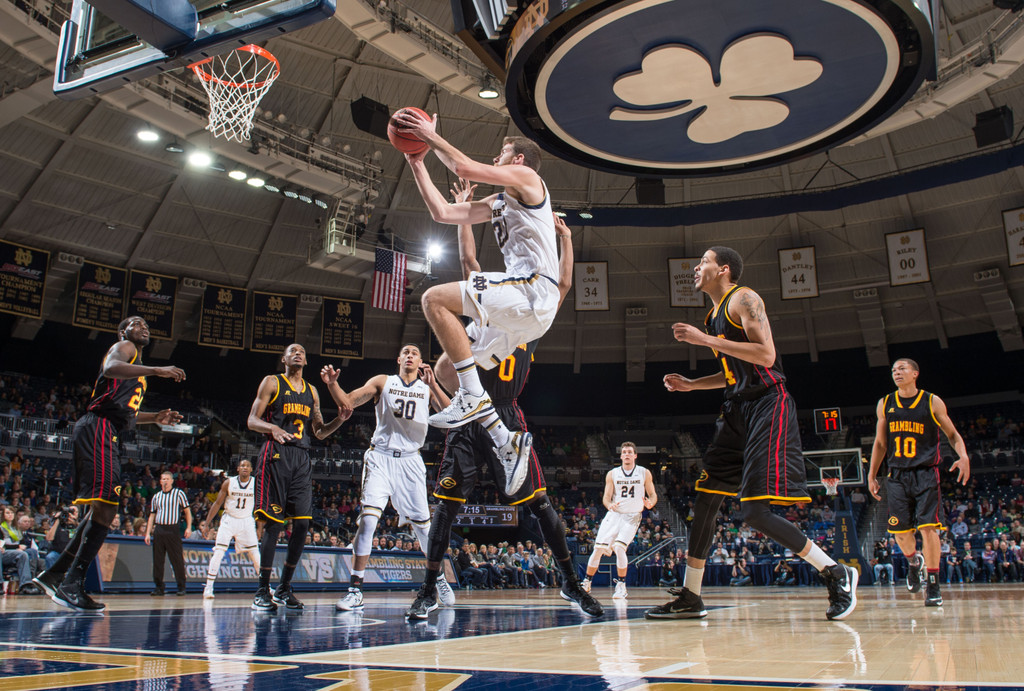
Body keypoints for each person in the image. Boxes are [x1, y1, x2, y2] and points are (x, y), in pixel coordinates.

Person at [403, 182, 601, 619]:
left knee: (541, 504)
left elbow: (563, 283)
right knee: (446, 508)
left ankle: (571, 582)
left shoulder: (528, 316)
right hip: (471, 418)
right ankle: (429, 587)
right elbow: (472, 264)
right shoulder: (493, 312)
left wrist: (566, 239)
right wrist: (461, 219)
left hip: (507, 418)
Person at [646, 247, 857, 622]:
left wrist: (704, 341)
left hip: (767, 404)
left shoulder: (744, 297)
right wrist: (692, 385)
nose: (697, 267)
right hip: (736, 408)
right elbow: (732, 372)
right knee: (705, 500)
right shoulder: (712, 316)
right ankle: (691, 596)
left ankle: (835, 572)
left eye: (704, 261)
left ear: (723, 269)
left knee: (754, 512)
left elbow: (765, 355)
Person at [394, 111, 563, 495]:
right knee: (446, 370)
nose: (494, 160)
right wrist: (417, 163)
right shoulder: (499, 201)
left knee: (434, 299)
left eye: (501, 154)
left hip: (532, 289)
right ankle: (506, 440)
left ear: (518, 160)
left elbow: (462, 164)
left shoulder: (529, 179)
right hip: (525, 311)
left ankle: (472, 396)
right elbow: (443, 213)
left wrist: (429, 136)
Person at [32, 316, 185, 611]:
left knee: (101, 508)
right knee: (107, 507)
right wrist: (157, 370)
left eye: (146, 325)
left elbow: (125, 414)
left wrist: (154, 418)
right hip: (97, 427)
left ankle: (56, 575)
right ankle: (70, 583)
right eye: (136, 323)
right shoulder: (125, 347)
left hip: (106, 428)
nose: (144, 327)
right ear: (123, 331)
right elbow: (109, 367)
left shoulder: (134, 369)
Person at [322, 344, 456, 613]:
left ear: (420, 362)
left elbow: (453, 416)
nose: (409, 355)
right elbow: (347, 402)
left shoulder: (426, 388)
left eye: (414, 353)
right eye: (405, 352)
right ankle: (355, 590)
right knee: (368, 522)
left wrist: (434, 384)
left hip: (411, 461)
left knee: (424, 530)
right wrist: (332, 386)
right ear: (398, 359)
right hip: (380, 457)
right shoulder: (383, 382)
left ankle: (437, 578)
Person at [248, 343, 348, 612]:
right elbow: (252, 420)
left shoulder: (313, 391)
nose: (298, 353)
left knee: (303, 526)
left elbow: (319, 431)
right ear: (284, 358)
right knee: (273, 525)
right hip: (276, 454)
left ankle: (284, 587)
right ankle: (261, 590)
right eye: (292, 350)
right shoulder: (272, 382)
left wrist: (339, 420)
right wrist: (273, 428)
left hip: (302, 458)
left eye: (302, 351)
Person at [867, 358, 970, 607]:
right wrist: (872, 474)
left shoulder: (931, 401)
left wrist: (963, 455)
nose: (896, 372)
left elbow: (953, 435)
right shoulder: (886, 403)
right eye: (893, 370)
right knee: (900, 534)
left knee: (928, 529)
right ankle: (915, 562)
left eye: (902, 368)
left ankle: (933, 585)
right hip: (897, 475)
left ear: (915, 373)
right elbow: (881, 443)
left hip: (926, 473)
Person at [582, 442, 656, 600]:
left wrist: (651, 503)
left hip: (632, 516)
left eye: (630, 452)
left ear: (635, 455)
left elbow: (653, 495)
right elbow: (606, 499)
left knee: (619, 548)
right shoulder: (613, 474)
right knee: (598, 549)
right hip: (614, 515)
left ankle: (621, 586)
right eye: (624, 452)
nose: (627, 454)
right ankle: (586, 583)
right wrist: (610, 505)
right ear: (621, 456)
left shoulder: (644, 473)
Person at [200, 459, 260, 599]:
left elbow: (259, 507)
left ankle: (265, 587)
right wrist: (207, 523)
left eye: (247, 466)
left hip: (246, 521)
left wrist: (259, 526)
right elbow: (217, 503)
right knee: (219, 552)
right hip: (229, 519)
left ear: (251, 469)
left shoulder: (256, 483)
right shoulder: (229, 482)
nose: (245, 468)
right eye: (242, 465)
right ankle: (208, 587)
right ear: (238, 468)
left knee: (255, 554)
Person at [144, 471, 192, 596]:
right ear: (160, 481)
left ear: (171, 481)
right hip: (159, 529)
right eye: (163, 479)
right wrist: (148, 533)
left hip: (173, 529)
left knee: (176, 559)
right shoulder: (156, 496)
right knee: (158, 560)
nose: (165, 481)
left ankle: (181, 586)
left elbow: (187, 511)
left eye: (167, 479)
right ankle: (159, 587)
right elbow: (152, 515)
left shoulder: (178, 493)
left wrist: (188, 527)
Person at [44, 505, 78, 570]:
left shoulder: (76, 525)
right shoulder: (58, 524)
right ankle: (52, 578)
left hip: (70, 554)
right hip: (57, 552)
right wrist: (57, 520)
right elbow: (49, 538)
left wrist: (74, 524)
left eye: (74, 512)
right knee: (50, 557)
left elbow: (74, 539)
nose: (71, 514)